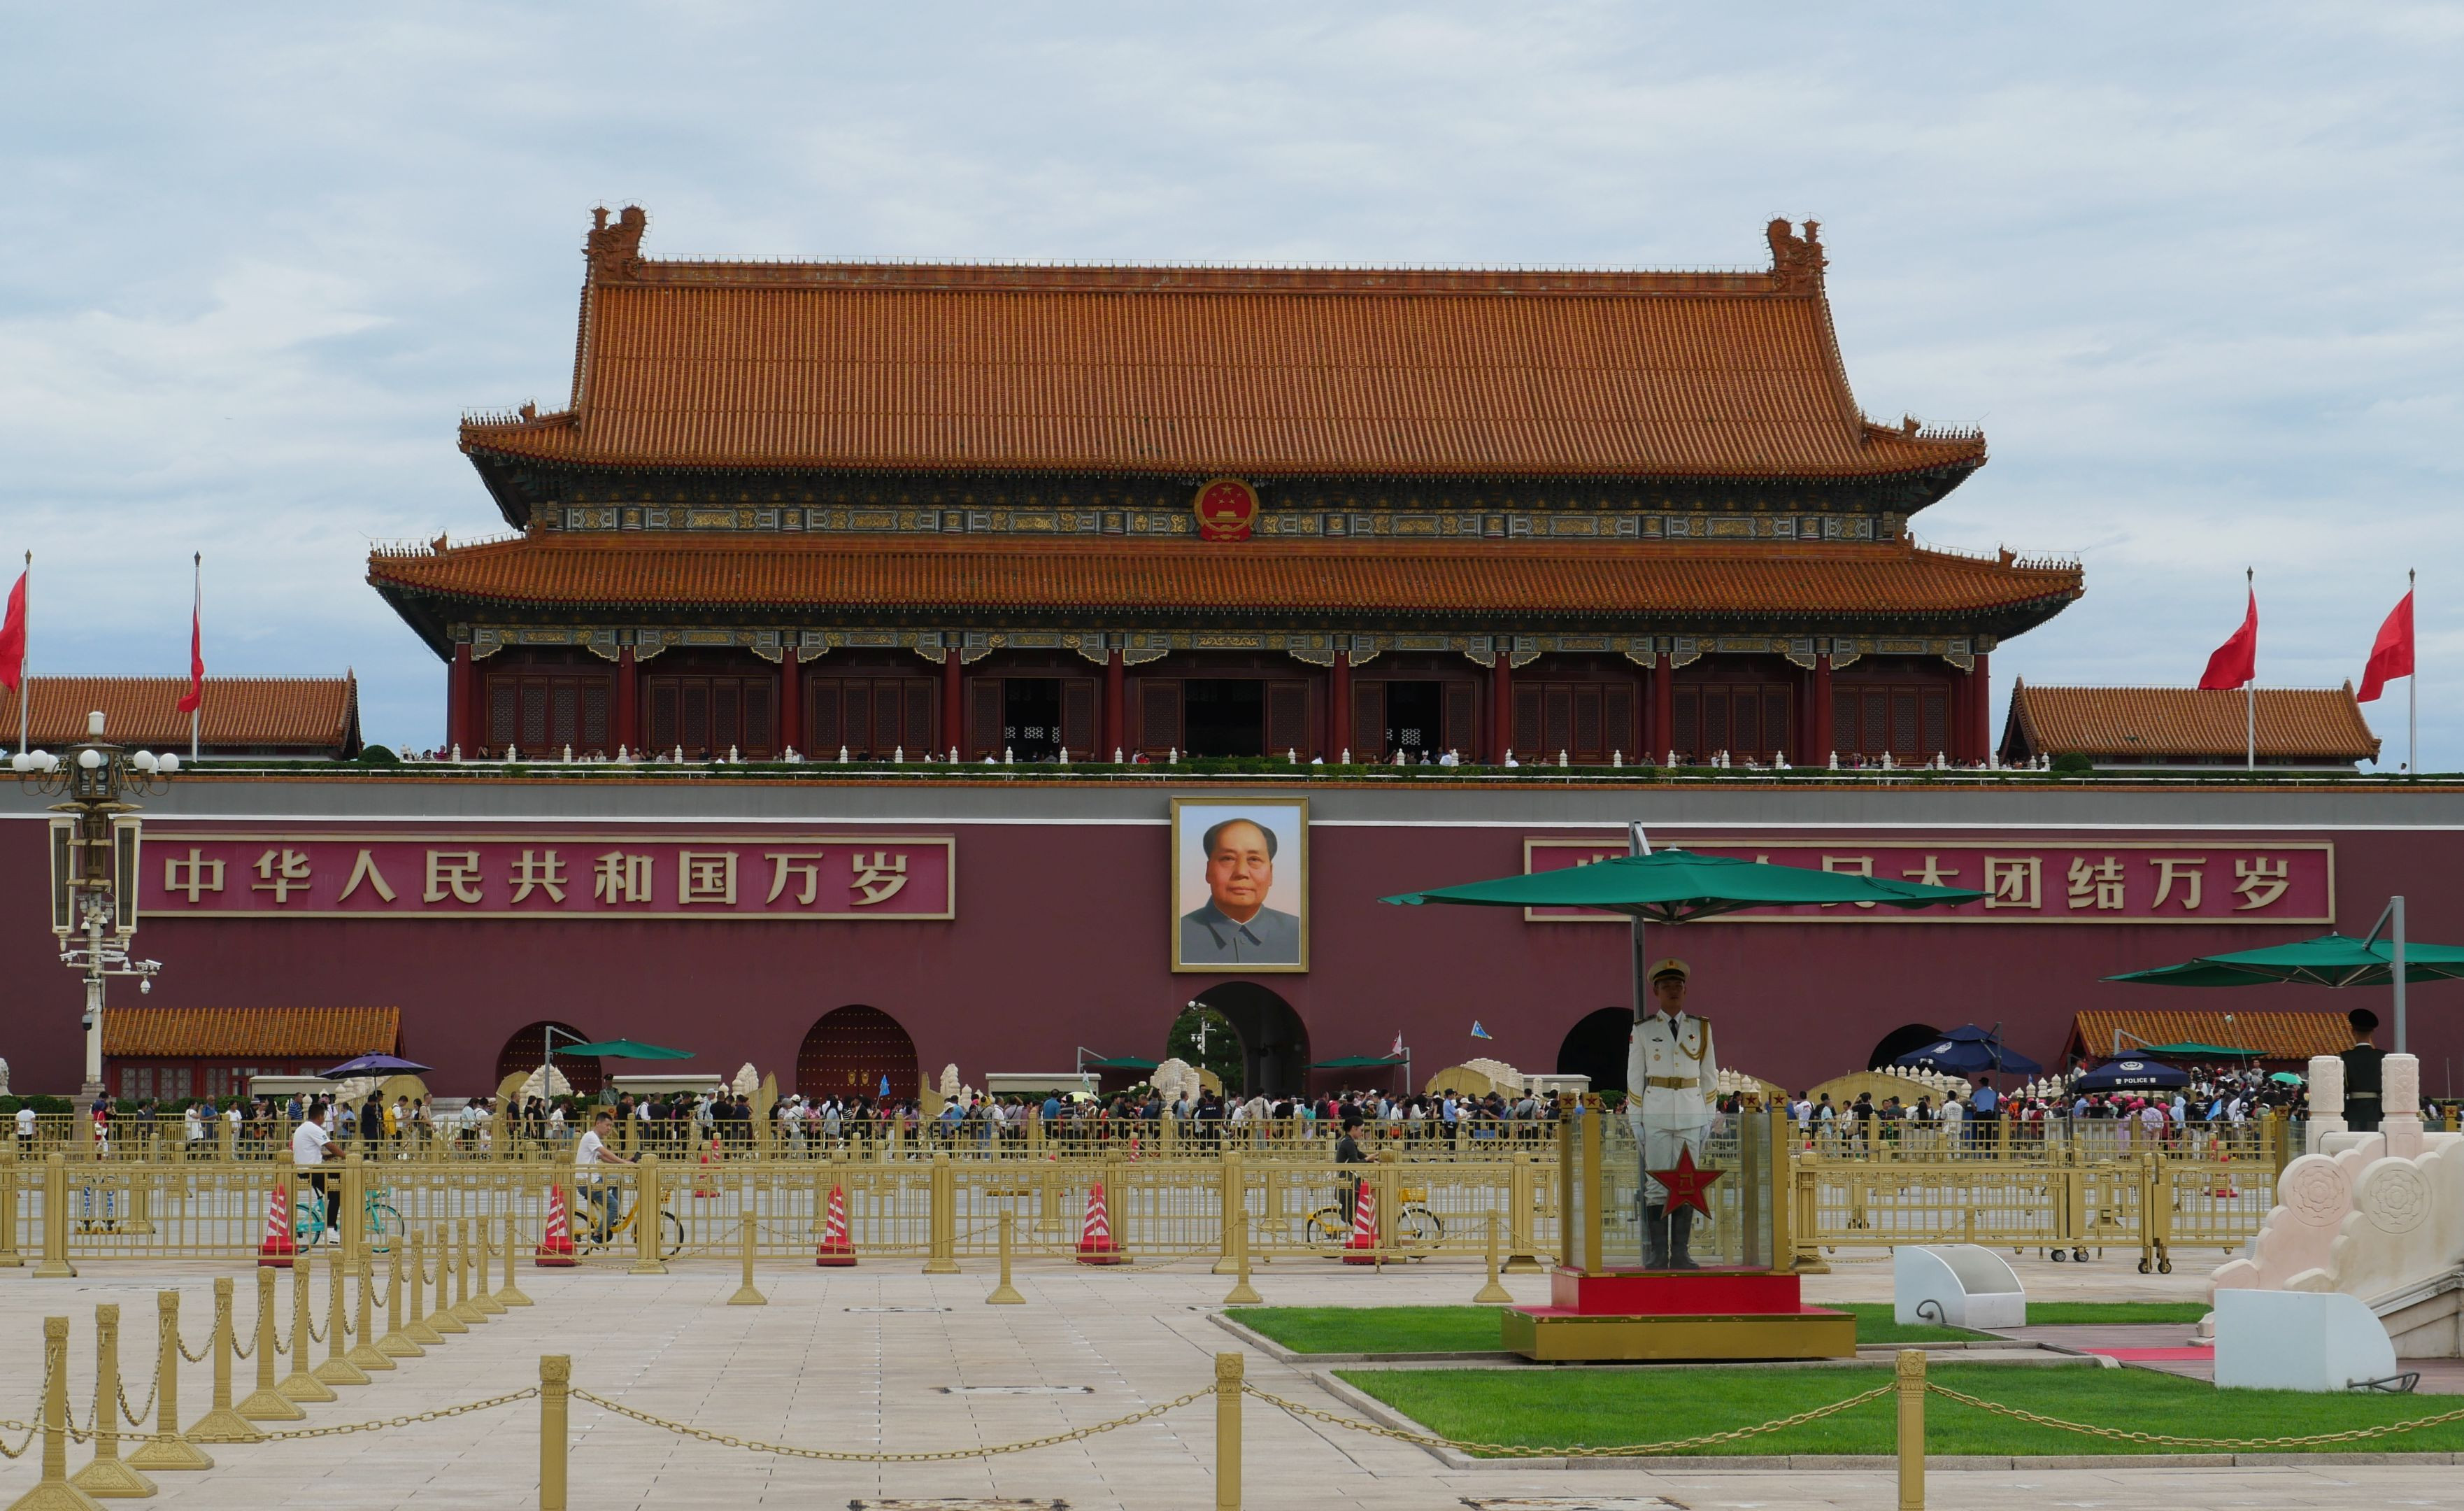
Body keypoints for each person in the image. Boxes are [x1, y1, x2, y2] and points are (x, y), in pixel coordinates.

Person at [1625, 958, 1718, 1268]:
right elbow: (1634, 1077)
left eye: (1678, 985)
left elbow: (1709, 1074)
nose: (1673, 991)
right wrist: (1635, 1119)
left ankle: (1680, 1253)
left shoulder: (1701, 1028)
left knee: (1687, 1184)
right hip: (1656, 1113)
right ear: (1656, 992)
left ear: (1686, 989)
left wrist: (1708, 1115)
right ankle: (1657, 1254)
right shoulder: (1643, 1030)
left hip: (1692, 1111)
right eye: (1666, 986)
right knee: (1656, 1184)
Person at [1178, 816, 1301, 965]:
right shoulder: (1177, 935)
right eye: (1228, 859)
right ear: (1208, 870)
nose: (1241, 872)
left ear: (1271, 873)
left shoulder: (1301, 934)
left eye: (1254, 860)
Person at [574, 1111, 634, 1240]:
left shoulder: (593, 1138)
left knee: (618, 1180)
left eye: (611, 1126)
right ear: (598, 1123)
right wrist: (622, 1161)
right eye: (607, 1125)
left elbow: (604, 1158)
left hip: (594, 1179)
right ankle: (598, 1234)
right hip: (588, 1183)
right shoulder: (591, 1137)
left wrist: (624, 1163)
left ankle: (613, 1216)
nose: (609, 1129)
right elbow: (605, 1152)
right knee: (613, 1205)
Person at [292, 1100, 334, 1242]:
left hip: (305, 1169)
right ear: (321, 1116)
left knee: (336, 1183)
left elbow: (309, 1151)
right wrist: (348, 1156)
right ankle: (330, 1229)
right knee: (337, 1194)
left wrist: (325, 1157)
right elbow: (330, 1146)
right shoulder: (314, 1128)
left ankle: (329, 1222)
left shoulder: (303, 1127)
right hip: (313, 1171)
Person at [2342, 1007, 2385, 1133]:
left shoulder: (2343, 1057)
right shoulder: (2384, 1056)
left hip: (2352, 1112)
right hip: (2378, 1112)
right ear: (2372, 1032)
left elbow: (2342, 1089)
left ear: (2352, 1031)